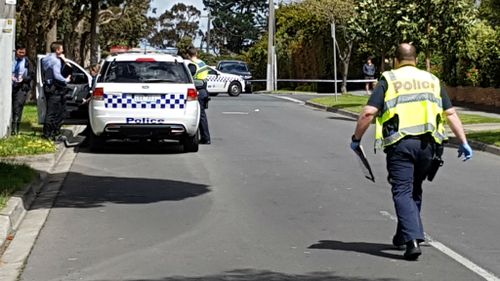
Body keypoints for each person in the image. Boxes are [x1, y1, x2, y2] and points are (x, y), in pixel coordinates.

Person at [350, 43, 473, 261]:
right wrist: (463, 141)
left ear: (396, 60)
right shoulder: (432, 80)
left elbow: (369, 113)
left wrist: (356, 139)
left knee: (402, 191)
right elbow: (451, 113)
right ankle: (402, 235)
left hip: (401, 145)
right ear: (416, 59)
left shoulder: (389, 79)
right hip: (429, 147)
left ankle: (413, 240)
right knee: (414, 189)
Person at [41, 41, 72, 141]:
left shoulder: (46, 58)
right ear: (57, 50)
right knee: (56, 112)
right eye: (61, 49)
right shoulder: (55, 60)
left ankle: (49, 133)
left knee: (51, 112)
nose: (63, 50)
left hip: (49, 88)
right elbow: (57, 75)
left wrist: (63, 59)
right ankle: (51, 134)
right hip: (56, 89)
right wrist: (66, 80)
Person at [187, 47, 211, 144]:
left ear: (188, 55)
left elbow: (188, 78)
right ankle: (205, 137)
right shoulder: (202, 63)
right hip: (204, 90)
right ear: (196, 53)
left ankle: (206, 137)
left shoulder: (192, 65)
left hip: (198, 91)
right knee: (202, 115)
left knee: (200, 115)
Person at [11, 44, 33, 135]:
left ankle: (15, 128)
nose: (21, 54)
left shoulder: (27, 62)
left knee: (18, 107)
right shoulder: (11, 60)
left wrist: (24, 79)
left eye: (23, 52)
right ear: (16, 52)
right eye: (20, 52)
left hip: (21, 87)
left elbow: (31, 75)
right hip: (10, 85)